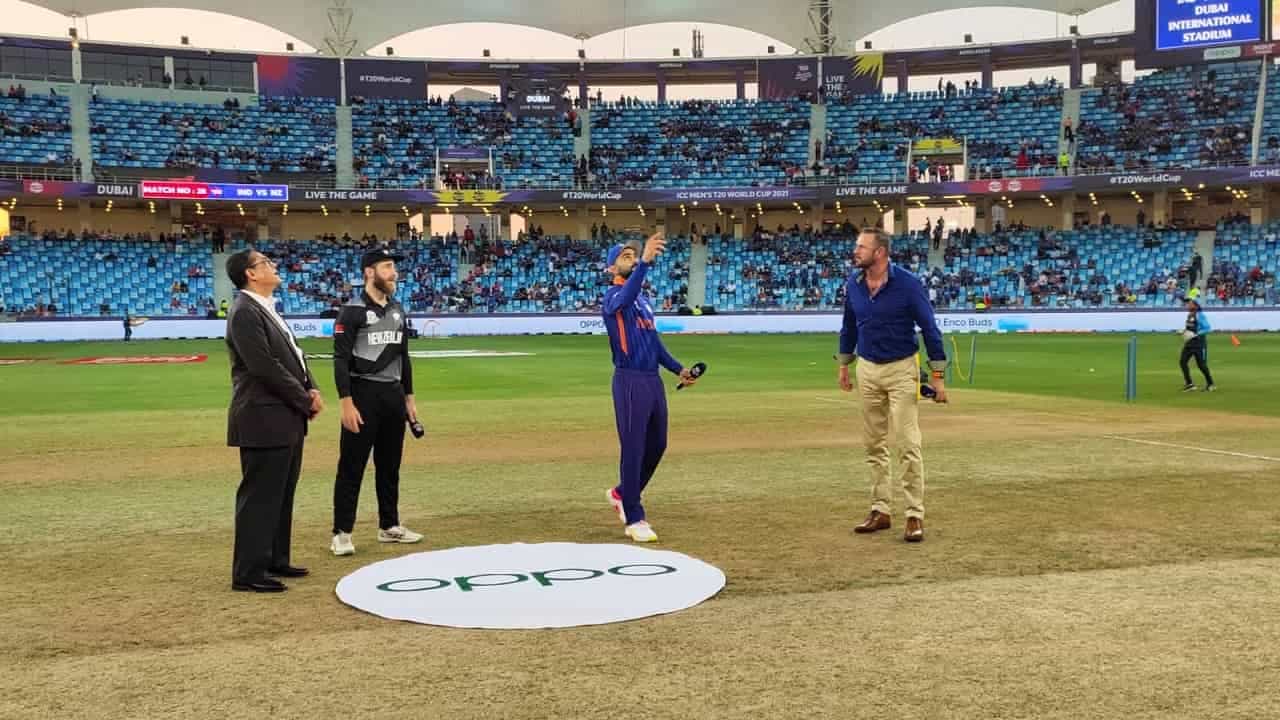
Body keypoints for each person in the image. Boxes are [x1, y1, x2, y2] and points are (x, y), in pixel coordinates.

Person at [837, 228, 947, 543]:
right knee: (874, 445)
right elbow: (848, 326)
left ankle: (914, 515)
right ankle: (880, 510)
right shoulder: (853, 284)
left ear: (880, 252)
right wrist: (844, 364)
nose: (856, 251)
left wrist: (937, 376)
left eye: (862, 247)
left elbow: (929, 328)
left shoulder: (908, 285)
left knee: (908, 444)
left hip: (902, 370)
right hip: (867, 369)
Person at [224, 249, 323, 593]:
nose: (274, 265)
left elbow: (295, 356)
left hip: (283, 415)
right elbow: (264, 366)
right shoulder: (244, 312)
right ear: (250, 274)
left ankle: (275, 558)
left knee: (281, 493)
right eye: (265, 263)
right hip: (263, 416)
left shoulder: (265, 308)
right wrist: (304, 398)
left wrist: (311, 387)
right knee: (260, 496)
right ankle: (249, 572)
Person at [602, 233, 697, 543]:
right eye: (625, 257)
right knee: (633, 448)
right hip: (629, 380)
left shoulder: (643, 303)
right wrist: (643, 263)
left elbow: (654, 343)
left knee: (658, 444)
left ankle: (622, 493)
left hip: (652, 380)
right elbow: (625, 298)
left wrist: (679, 369)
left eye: (633, 255)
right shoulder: (613, 297)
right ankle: (634, 517)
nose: (631, 259)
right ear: (611, 268)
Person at [330, 248, 422, 556]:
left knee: (389, 465)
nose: (394, 273)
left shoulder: (397, 308)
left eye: (393, 267)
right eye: (387, 266)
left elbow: (403, 356)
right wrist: (346, 402)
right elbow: (340, 360)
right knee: (352, 466)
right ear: (369, 272)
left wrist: (409, 397)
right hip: (363, 395)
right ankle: (342, 533)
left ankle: (389, 525)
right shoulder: (352, 311)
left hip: (393, 396)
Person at [1180, 290, 1216, 392]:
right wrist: (1183, 331)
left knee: (1201, 365)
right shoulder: (1190, 315)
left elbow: (1207, 328)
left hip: (1199, 343)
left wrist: (1196, 334)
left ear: (1196, 305)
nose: (1187, 304)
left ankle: (1211, 384)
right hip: (1189, 343)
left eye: (1190, 302)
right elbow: (1190, 328)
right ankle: (1189, 384)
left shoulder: (1200, 315)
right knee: (1182, 362)